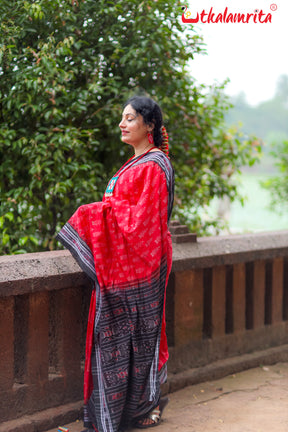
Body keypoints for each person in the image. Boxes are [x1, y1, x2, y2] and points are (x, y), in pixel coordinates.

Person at [56, 96, 174, 431]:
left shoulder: (154, 165)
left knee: (141, 337)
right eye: (122, 119)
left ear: (149, 125)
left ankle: (143, 407)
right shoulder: (135, 163)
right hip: (124, 264)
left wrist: (95, 213)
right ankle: (125, 410)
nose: (122, 124)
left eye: (130, 119)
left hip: (144, 266)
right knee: (125, 338)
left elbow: (144, 222)